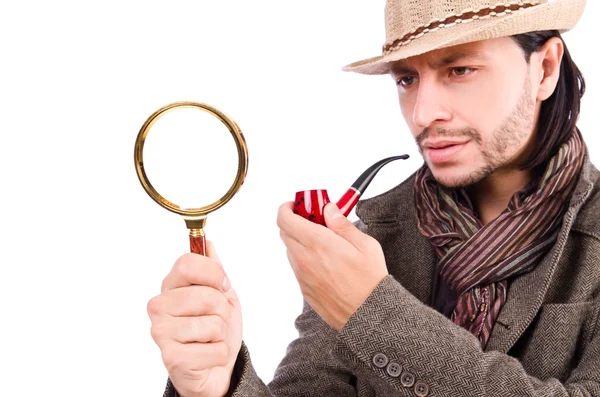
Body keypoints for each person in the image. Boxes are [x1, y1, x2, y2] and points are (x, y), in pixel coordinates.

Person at [147, 0, 599, 395]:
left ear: (545, 68)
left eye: (459, 69)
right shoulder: (374, 239)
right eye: (406, 79)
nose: (423, 113)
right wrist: (217, 385)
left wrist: (373, 314)